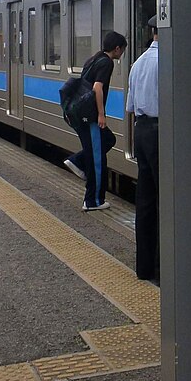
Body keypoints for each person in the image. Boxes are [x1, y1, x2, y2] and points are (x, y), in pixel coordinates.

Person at [64, 31, 127, 212]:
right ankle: (93, 201)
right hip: (90, 116)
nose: (121, 54)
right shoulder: (107, 62)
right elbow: (97, 88)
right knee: (97, 158)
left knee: (107, 141)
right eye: (122, 50)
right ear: (117, 48)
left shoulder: (93, 59)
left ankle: (78, 160)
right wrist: (101, 114)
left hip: (80, 113)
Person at [126, 16, 160, 282]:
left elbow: (130, 106)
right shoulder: (169, 62)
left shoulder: (138, 63)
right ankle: (166, 264)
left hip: (142, 130)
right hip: (162, 132)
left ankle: (145, 267)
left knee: (146, 202)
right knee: (168, 200)